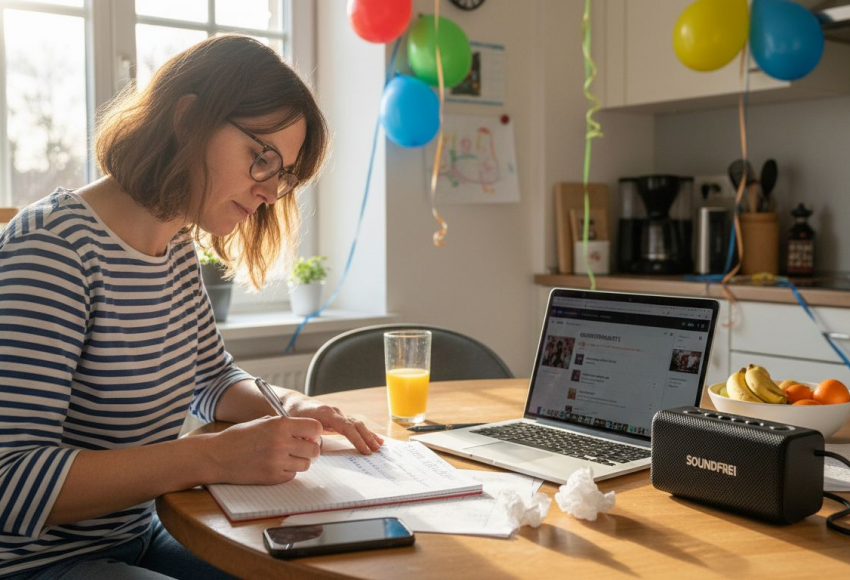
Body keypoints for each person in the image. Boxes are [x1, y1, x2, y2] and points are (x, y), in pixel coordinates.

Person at [0, 35, 383, 579]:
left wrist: (289, 406)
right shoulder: (52, 250)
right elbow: (9, 482)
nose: (273, 193)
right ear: (187, 119)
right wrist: (211, 457)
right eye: (262, 158)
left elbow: (211, 376)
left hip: (137, 534)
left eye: (285, 174)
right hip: (35, 565)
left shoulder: (175, 245)